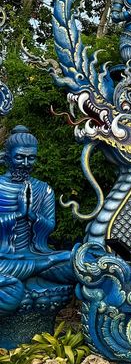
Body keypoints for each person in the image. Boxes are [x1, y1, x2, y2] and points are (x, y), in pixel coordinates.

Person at [0, 126, 74, 313]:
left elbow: (49, 225)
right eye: (19, 157)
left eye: (31, 158)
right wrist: (18, 214)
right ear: (7, 157)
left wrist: (33, 217)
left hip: (34, 253)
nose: (25, 163)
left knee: (73, 260)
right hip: (4, 258)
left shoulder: (43, 189)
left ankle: (38, 266)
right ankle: (39, 267)